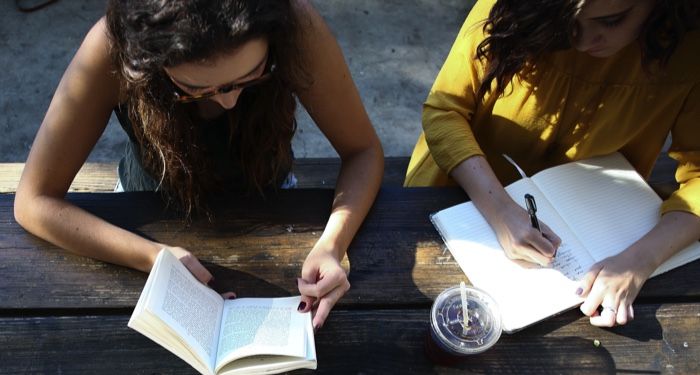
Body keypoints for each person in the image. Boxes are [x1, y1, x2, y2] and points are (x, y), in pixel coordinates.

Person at [14, 0, 384, 331]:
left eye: (253, 74)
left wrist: (332, 245)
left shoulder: (294, 24)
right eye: (197, 89)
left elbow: (363, 151)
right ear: (146, 60)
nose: (230, 102)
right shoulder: (112, 46)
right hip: (144, 212)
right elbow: (34, 201)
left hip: (270, 198)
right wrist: (153, 256)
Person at [405, 0, 700, 327]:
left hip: (601, 236)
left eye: (612, 21)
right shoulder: (513, 9)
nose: (585, 42)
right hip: (456, 192)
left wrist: (639, 261)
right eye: (571, 24)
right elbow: (445, 112)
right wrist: (500, 210)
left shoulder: (689, 50)